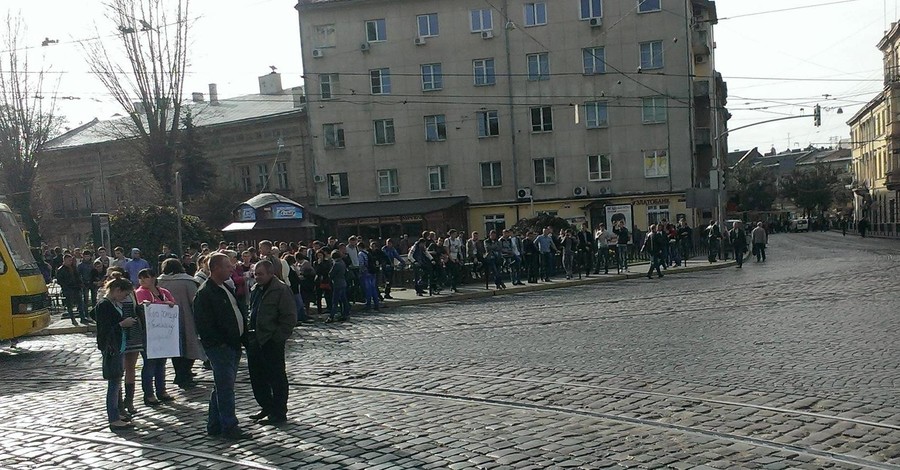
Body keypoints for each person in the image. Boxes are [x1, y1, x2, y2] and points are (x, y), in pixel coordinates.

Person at [193, 253, 252, 440]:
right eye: (227, 266)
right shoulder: (205, 293)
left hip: (232, 344)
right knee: (226, 389)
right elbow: (204, 325)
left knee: (222, 386)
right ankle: (229, 426)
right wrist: (221, 342)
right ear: (216, 268)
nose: (232, 269)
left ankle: (214, 424)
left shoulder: (224, 287)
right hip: (221, 347)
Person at [246, 260, 296, 425]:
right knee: (257, 378)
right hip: (255, 340)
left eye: (260, 274)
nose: (257, 277)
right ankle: (266, 406)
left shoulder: (281, 289)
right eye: (255, 274)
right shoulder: (255, 289)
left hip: (271, 341)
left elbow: (289, 317)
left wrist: (277, 338)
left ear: (270, 273)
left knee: (276, 378)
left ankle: (279, 412)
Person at [95, 277, 139, 429]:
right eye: (125, 294)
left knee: (117, 381)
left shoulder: (111, 303)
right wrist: (122, 323)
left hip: (118, 346)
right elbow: (104, 329)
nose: (125, 298)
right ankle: (113, 418)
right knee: (114, 382)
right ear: (117, 290)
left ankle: (116, 414)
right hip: (111, 348)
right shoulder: (104, 304)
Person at [157, 259, 205, 389]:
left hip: (167, 320)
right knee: (190, 346)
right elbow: (196, 301)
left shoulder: (159, 281)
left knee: (175, 349)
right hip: (186, 318)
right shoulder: (187, 282)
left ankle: (181, 373)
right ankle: (183, 375)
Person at [134, 269, 177, 406]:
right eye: (140, 278)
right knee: (150, 363)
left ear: (153, 278)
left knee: (161, 363)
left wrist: (170, 305)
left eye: (145, 277)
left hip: (163, 334)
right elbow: (141, 308)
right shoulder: (140, 292)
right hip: (148, 334)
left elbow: (173, 304)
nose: (142, 280)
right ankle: (149, 393)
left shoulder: (163, 292)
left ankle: (161, 390)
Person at [57, 254, 89, 325]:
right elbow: (60, 281)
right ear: (64, 260)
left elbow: (77, 276)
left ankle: (82, 318)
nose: (70, 262)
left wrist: (80, 284)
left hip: (76, 288)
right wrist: (66, 287)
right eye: (69, 260)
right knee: (70, 305)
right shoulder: (61, 270)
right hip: (68, 289)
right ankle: (73, 319)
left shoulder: (73, 267)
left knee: (80, 304)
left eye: (71, 260)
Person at [328, 251, 351, 322]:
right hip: (343, 282)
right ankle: (345, 314)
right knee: (344, 300)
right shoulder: (342, 262)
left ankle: (331, 316)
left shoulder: (336, 264)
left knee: (335, 301)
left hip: (337, 284)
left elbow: (331, 274)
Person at [358, 242, 381, 311]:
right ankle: (376, 304)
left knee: (368, 289)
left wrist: (360, 272)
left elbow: (361, 264)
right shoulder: (368, 253)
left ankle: (368, 304)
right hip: (372, 272)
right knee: (373, 289)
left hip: (366, 273)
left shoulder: (361, 254)